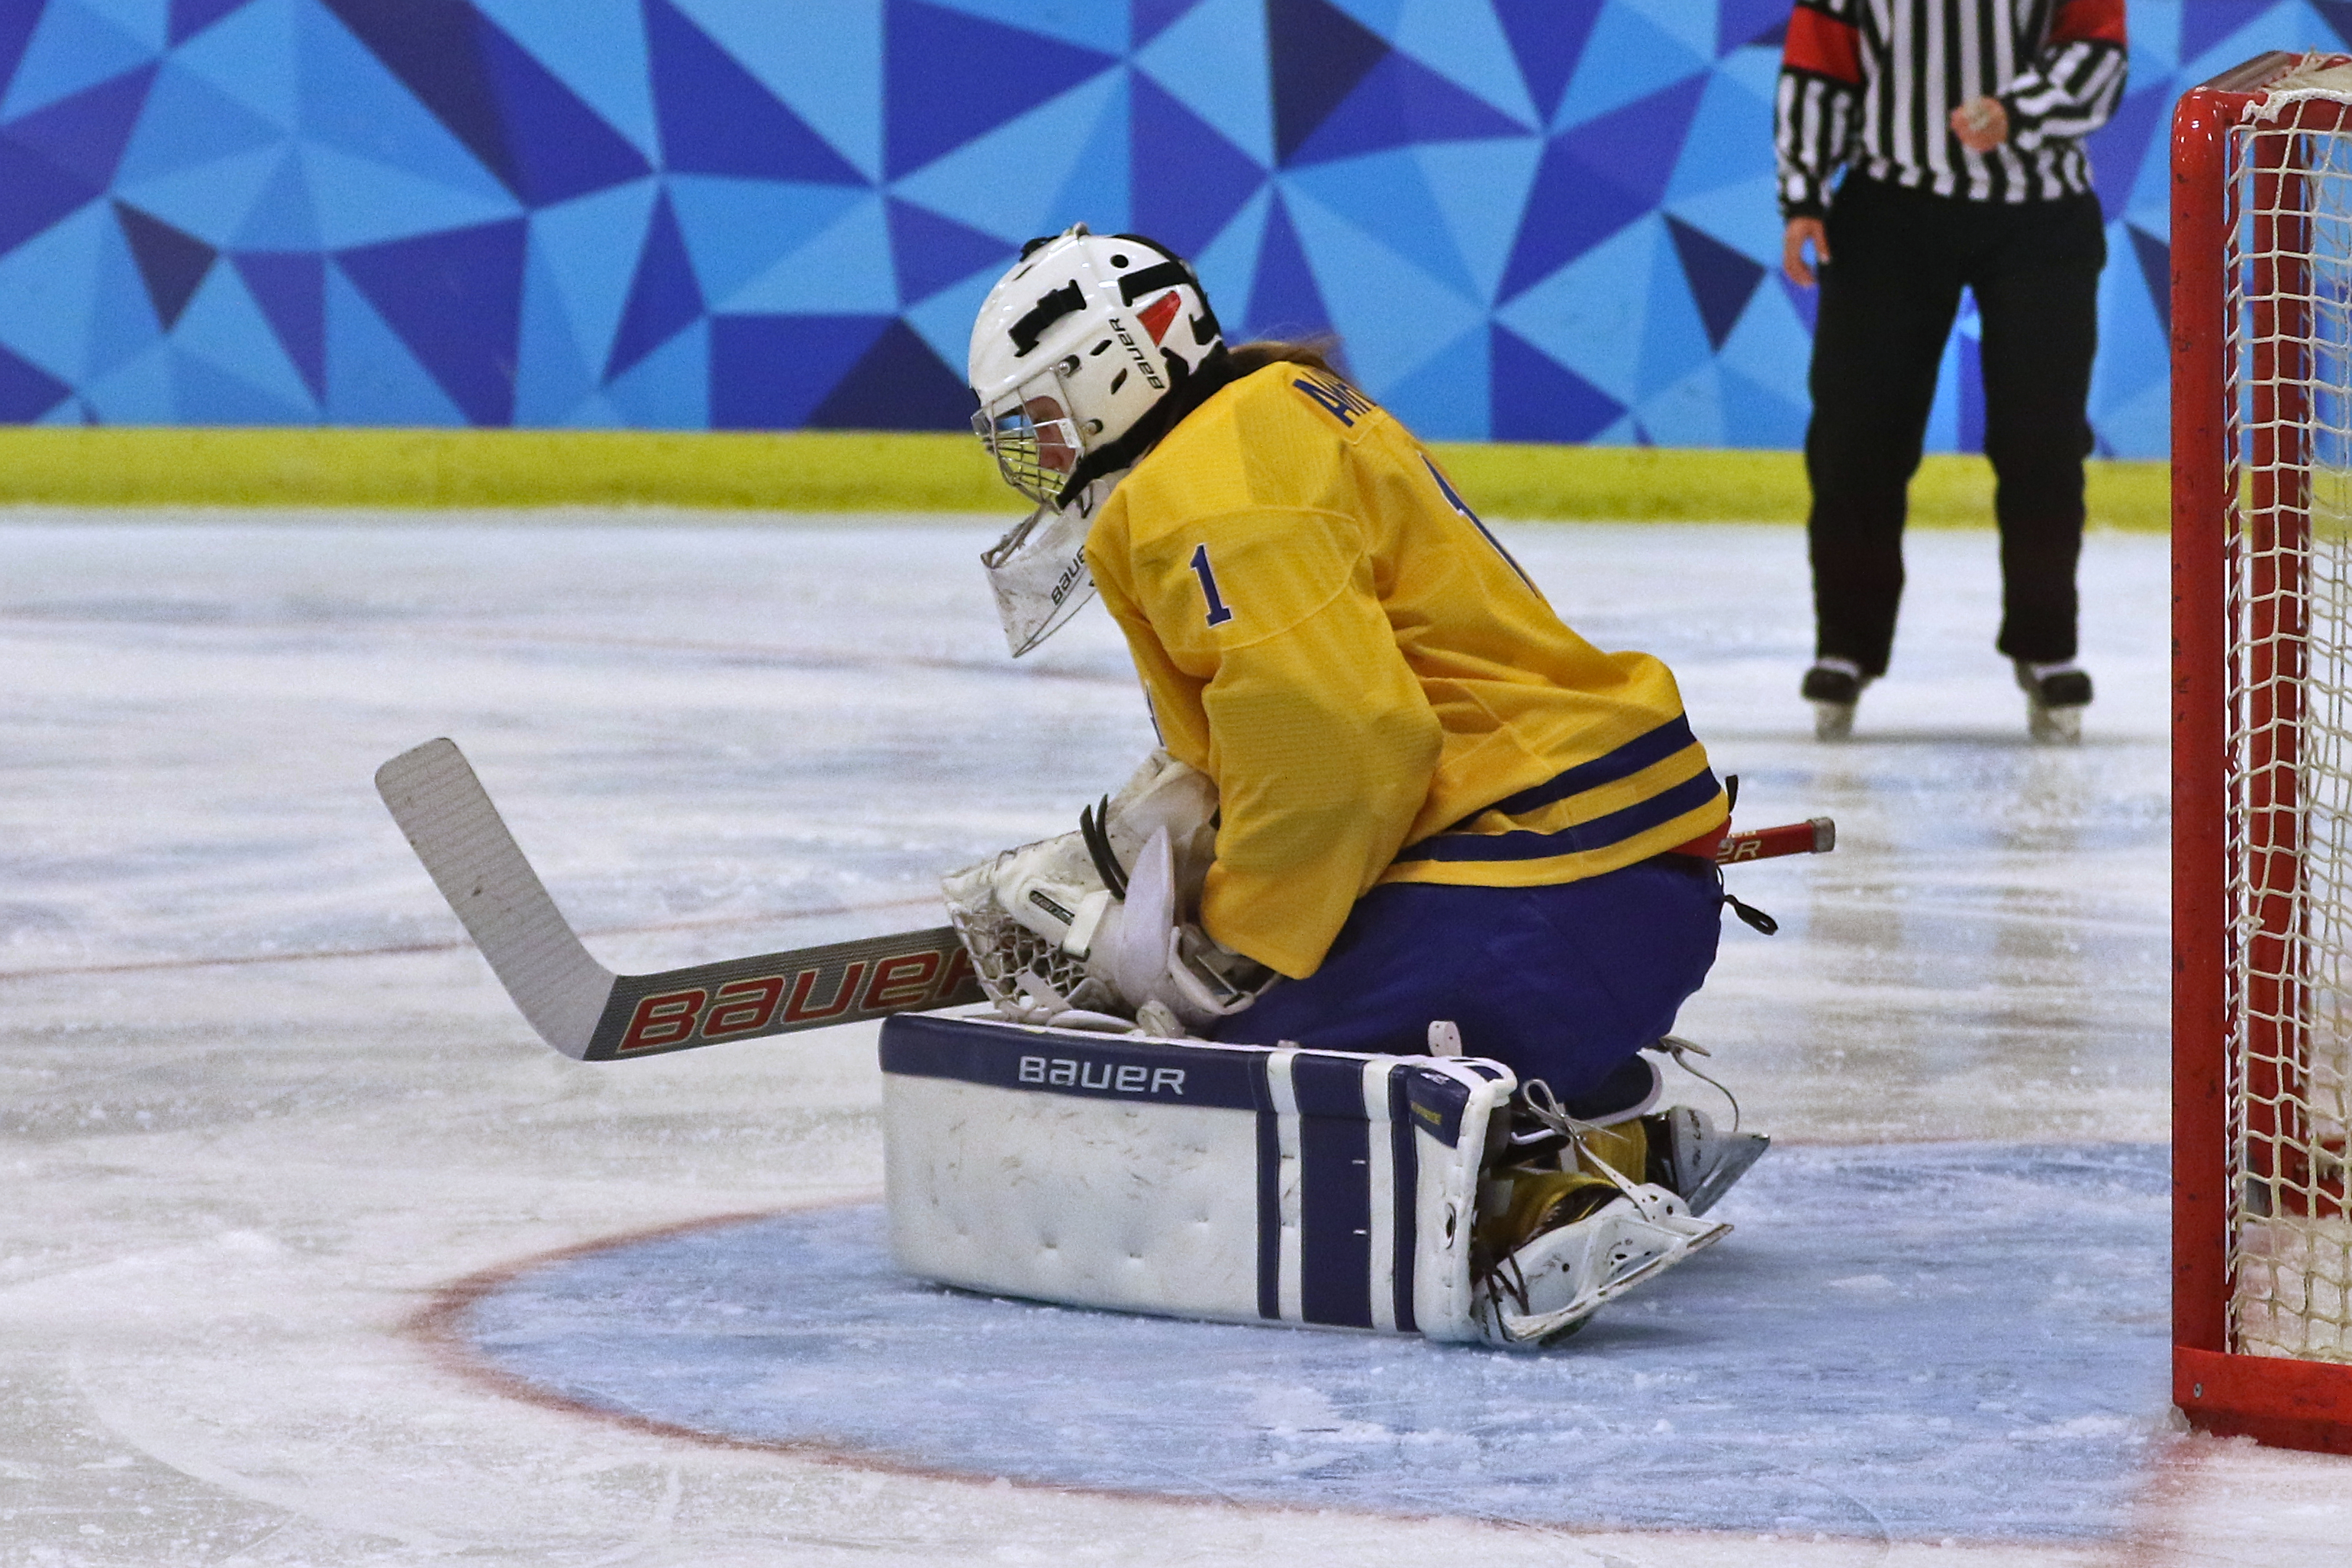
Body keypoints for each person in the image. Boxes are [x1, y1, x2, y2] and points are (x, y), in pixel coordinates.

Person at [947, 226, 1762, 1341]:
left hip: (1527, 904)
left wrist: (1225, 945)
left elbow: (1347, 742)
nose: (1036, 452)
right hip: (1612, 883)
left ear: (1117, 368)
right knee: (1263, 1038)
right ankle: (1598, 1113)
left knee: (1207, 1097)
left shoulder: (1208, 482)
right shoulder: (1271, 414)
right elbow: (1326, 705)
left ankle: (1539, 1196)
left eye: (1039, 417)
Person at [1776, 0, 2126, 742]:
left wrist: (2018, 111)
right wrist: (1803, 191)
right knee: (1855, 436)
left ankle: (2045, 646)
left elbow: (2098, 52)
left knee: (2042, 443)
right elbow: (1820, 56)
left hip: (2040, 211)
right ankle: (1845, 644)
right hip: (1888, 209)